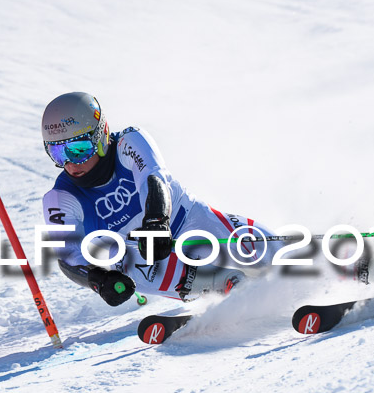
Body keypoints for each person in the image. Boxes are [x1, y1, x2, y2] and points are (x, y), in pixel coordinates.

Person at [41, 92, 279, 307]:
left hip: (186, 219)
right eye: (58, 152)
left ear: (101, 135)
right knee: (134, 266)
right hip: (144, 255)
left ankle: (295, 264)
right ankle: (227, 287)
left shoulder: (129, 142)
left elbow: (153, 179)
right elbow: (69, 256)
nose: (71, 163)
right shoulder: (60, 198)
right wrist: (99, 280)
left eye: (79, 148)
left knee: (261, 251)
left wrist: (156, 222)